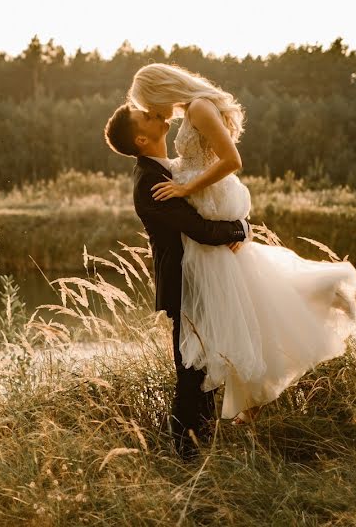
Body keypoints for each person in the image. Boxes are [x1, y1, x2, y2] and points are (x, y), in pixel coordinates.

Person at [126, 63, 356, 425]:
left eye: (149, 104)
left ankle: (321, 295)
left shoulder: (199, 107)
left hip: (208, 205)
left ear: (160, 89)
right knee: (247, 301)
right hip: (205, 213)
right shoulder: (191, 111)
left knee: (238, 308)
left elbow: (232, 160)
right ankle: (234, 405)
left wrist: (187, 188)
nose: (154, 113)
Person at [104, 102, 251, 459]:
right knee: (191, 373)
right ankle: (188, 458)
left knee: (200, 369)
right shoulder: (150, 182)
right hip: (186, 284)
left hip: (198, 279)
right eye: (146, 116)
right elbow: (198, 229)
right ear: (142, 138)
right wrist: (240, 228)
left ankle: (198, 451)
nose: (155, 113)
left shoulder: (165, 169)